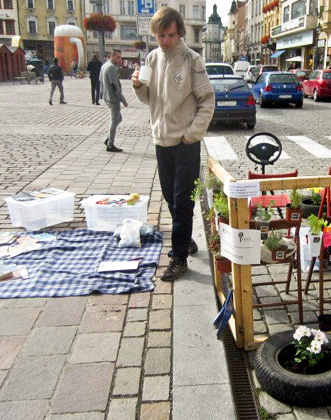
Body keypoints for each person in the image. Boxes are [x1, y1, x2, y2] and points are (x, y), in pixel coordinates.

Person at [132, 7, 214, 281]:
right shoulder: (152, 58)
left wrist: (192, 135)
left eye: (169, 35)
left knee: (182, 201)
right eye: (160, 35)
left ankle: (178, 258)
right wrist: (138, 87)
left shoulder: (192, 60)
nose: (165, 41)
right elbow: (149, 100)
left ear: (179, 32)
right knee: (170, 197)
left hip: (186, 143)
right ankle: (186, 239)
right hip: (161, 140)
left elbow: (207, 100)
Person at [100, 49, 128, 152]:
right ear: (112, 56)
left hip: (107, 97)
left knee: (118, 119)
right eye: (118, 57)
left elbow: (100, 81)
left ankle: (108, 138)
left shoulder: (104, 66)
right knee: (115, 121)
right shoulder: (111, 68)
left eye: (120, 57)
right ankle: (110, 144)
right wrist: (123, 100)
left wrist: (102, 94)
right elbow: (114, 86)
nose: (120, 59)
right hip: (113, 98)